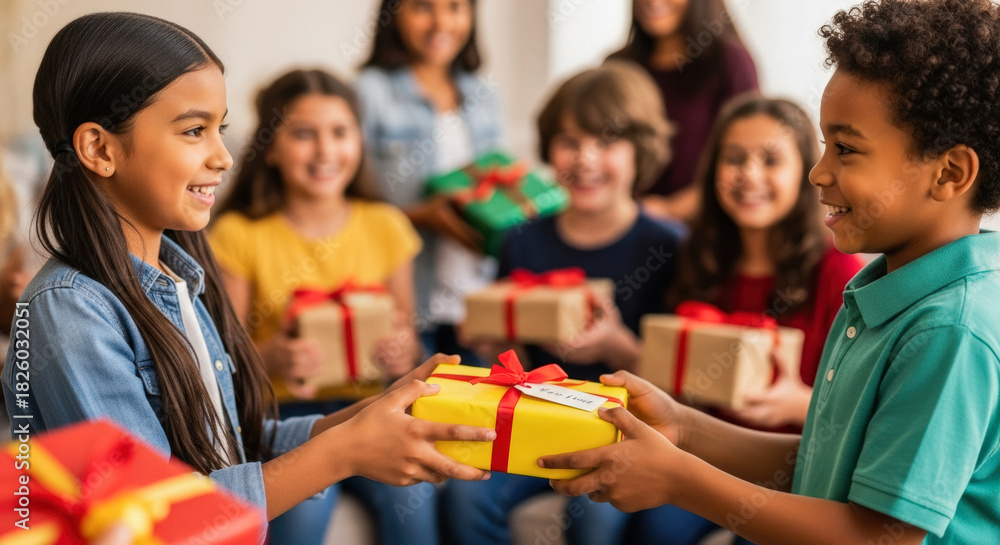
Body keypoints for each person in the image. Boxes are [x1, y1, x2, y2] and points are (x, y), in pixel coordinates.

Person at [0, 13, 493, 545]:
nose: (224, 157)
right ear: (100, 149)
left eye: (221, 129)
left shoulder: (181, 275)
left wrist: (373, 412)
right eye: (194, 131)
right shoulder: (70, 309)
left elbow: (236, 443)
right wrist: (343, 454)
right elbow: (151, 517)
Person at [541, 1, 1000, 543]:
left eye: (847, 149)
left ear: (949, 173)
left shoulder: (948, 330)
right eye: (826, 144)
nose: (818, 170)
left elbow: (878, 536)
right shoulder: (885, 291)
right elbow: (825, 460)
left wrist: (678, 481)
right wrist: (685, 429)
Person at [442, 61, 680, 545]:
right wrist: (494, 343)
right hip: (536, 421)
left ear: (641, 152)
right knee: (465, 498)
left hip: (622, 430)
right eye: (571, 142)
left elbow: (680, 381)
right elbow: (518, 364)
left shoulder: (667, 245)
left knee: (595, 515)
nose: (586, 159)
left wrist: (616, 346)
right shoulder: (521, 240)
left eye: (606, 142)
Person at [210, 68, 432, 545]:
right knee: (307, 511)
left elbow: (407, 331)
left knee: (414, 505)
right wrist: (274, 356)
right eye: (303, 134)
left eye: (340, 132)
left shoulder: (386, 225)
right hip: (281, 413)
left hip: (372, 404)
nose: (326, 151)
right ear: (270, 147)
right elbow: (224, 352)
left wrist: (402, 350)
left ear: (359, 139)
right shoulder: (238, 236)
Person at [629, 95, 864, 545]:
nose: (749, 174)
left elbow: (861, 411)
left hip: (798, 466)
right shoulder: (698, 257)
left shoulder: (839, 272)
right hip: (707, 452)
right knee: (654, 528)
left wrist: (798, 402)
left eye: (771, 159)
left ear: (804, 174)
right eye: (734, 158)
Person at [355, 0, 502, 363]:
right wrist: (422, 215)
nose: (441, 22)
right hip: (407, 295)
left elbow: (495, 186)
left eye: (455, 7)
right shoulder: (368, 92)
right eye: (423, 6)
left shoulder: (483, 95)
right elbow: (349, 204)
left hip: (474, 298)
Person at [610, 0, 759, 223]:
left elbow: (747, 155)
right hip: (625, 223)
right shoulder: (617, 66)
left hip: (705, 228)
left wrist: (669, 210)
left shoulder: (729, 62)